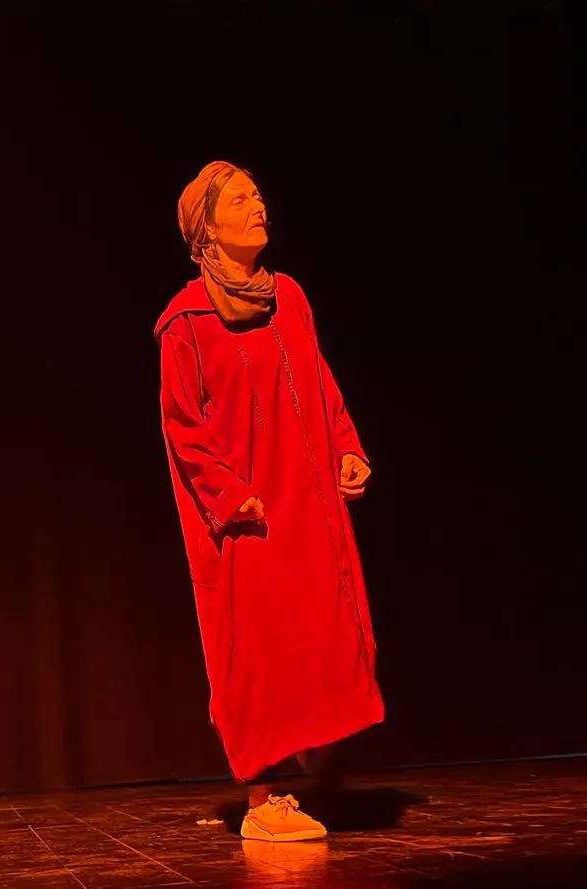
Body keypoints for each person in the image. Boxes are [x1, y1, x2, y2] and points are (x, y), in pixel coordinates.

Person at [155, 162, 383, 842]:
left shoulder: (290, 296)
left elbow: (321, 380)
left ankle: (323, 769)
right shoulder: (185, 320)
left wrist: (347, 445)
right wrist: (229, 495)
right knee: (257, 650)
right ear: (206, 227)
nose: (260, 206)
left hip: (310, 500)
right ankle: (262, 800)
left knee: (325, 632)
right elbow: (182, 425)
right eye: (241, 199)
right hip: (250, 510)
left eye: (258, 195)